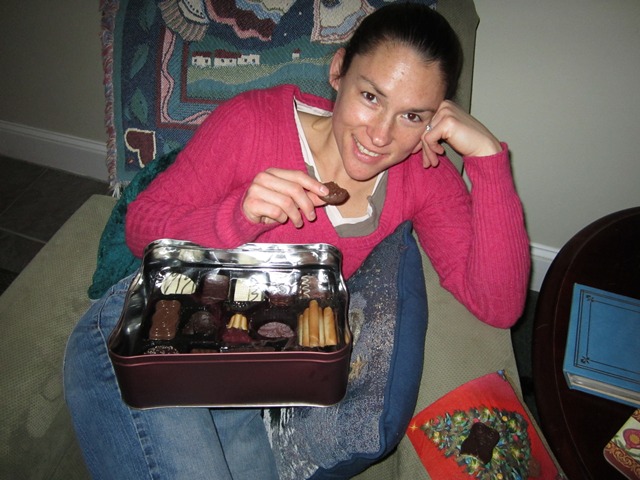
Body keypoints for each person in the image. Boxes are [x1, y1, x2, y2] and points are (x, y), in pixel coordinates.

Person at [64, 4, 530, 479]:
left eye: (412, 115)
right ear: (338, 71)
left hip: (239, 379)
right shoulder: (253, 123)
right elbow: (141, 226)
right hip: (144, 336)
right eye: (371, 96)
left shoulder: (423, 177)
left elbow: (498, 305)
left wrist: (487, 159)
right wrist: (237, 216)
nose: (381, 135)